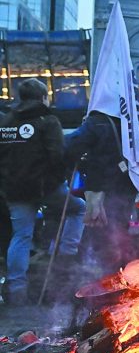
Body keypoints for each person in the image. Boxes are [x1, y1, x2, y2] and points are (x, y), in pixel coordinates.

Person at [0, 79, 86, 303]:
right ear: (43, 97)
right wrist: (60, 181)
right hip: (45, 187)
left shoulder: (6, 120)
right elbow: (57, 155)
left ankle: (17, 289)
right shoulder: (48, 121)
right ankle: (65, 255)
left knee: (21, 236)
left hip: (15, 190)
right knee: (78, 209)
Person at [64, 104, 139, 277]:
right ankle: (118, 274)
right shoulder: (134, 121)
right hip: (126, 185)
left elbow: (71, 146)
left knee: (96, 232)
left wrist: (81, 163)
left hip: (100, 187)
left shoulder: (96, 122)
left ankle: (94, 278)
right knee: (119, 231)